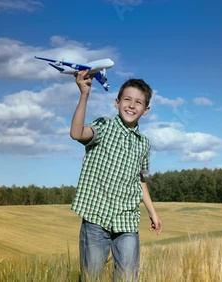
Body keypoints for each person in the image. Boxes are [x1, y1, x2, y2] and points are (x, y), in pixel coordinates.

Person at [70, 69, 163, 281]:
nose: (131, 105)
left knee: (128, 277)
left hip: (127, 220)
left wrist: (153, 212)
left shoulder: (143, 143)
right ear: (117, 102)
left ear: (146, 110)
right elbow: (76, 134)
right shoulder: (104, 126)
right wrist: (84, 94)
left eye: (138, 102)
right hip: (96, 217)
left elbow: (139, 180)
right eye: (127, 99)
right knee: (91, 277)